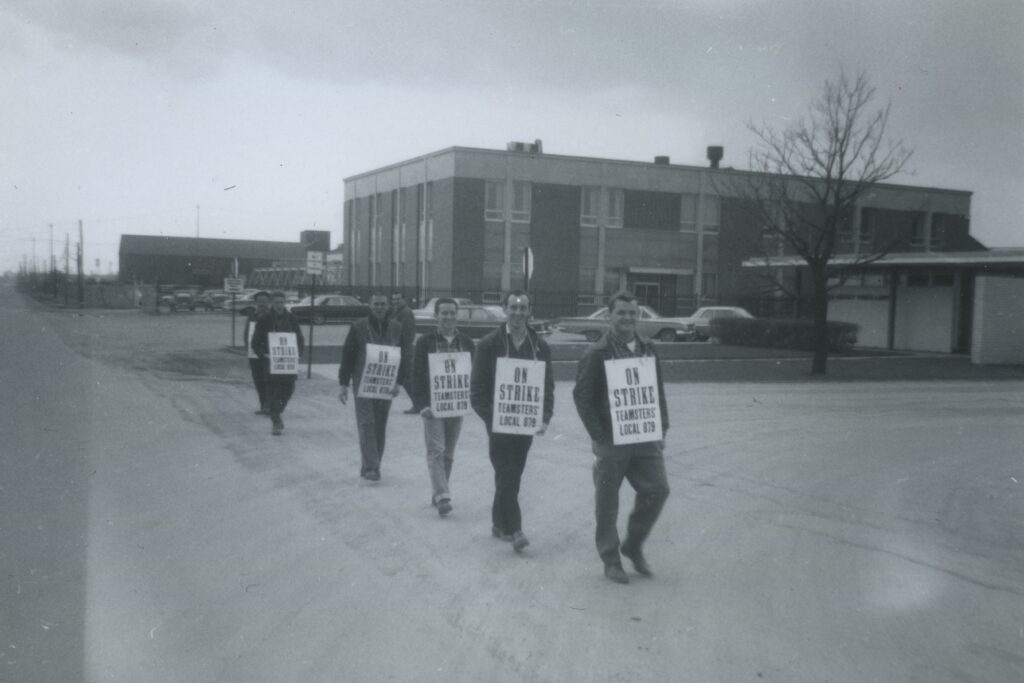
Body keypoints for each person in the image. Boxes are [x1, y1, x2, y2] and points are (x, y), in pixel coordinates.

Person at [572, 291, 670, 584]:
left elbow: (657, 390)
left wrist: (661, 427)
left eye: (632, 313)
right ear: (609, 316)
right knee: (607, 503)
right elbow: (582, 397)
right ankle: (611, 559)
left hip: (644, 436)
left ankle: (633, 545)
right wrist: (599, 435)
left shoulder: (647, 348)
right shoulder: (597, 353)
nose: (627, 318)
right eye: (621, 313)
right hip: (612, 440)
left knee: (658, 490)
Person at [470, 290, 554, 552]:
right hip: (498, 424)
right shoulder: (488, 344)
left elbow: (547, 387)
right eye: (513, 307)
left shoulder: (539, 346)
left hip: (526, 423)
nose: (518, 313)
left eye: (523, 308)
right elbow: (477, 391)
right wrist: (492, 418)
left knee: (511, 474)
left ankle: (498, 522)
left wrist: (545, 417)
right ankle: (515, 528)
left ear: (530, 311)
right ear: (504, 309)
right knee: (507, 472)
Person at [410, 298, 475, 517]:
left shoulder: (466, 342)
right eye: (444, 313)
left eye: (452, 313)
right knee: (436, 450)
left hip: (456, 404)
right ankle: (443, 495)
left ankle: (438, 491)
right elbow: (416, 375)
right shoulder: (425, 342)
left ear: (457, 316)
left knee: (448, 452)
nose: (448, 317)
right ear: (436, 316)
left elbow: (473, 375)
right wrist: (421, 405)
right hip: (433, 405)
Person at [339, 292, 405, 481]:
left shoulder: (396, 328)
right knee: (367, 423)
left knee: (380, 425)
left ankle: (370, 464)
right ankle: (372, 467)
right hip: (363, 383)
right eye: (376, 304)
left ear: (388, 306)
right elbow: (348, 356)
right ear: (369, 305)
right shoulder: (358, 327)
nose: (380, 307)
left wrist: (399, 382)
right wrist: (343, 384)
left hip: (386, 383)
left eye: (383, 304)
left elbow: (403, 355)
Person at [251, 291, 305, 436]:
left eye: (282, 303)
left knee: (288, 390)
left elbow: (300, 339)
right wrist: (264, 355)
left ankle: (277, 412)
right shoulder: (264, 320)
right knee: (274, 392)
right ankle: (276, 421)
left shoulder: (292, 319)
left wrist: (298, 354)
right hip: (271, 363)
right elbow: (255, 342)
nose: (279, 306)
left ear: (284, 303)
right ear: (272, 304)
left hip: (288, 363)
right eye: (276, 303)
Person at [387, 291, 418, 414]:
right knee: (405, 379)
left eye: (398, 299)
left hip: (403, 350)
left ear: (404, 300)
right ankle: (418, 404)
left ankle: (419, 404)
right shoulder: (397, 312)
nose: (395, 301)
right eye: (393, 299)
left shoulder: (406, 313)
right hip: (399, 349)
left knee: (407, 379)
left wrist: (399, 347)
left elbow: (408, 334)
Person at [243, 291, 272, 414]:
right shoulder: (252, 316)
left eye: (264, 301)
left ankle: (269, 406)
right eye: (259, 301)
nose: (262, 304)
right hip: (254, 355)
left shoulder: (273, 316)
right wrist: (248, 347)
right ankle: (263, 405)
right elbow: (247, 334)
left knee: (269, 380)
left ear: (268, 302)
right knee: (258, 380)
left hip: (268, 354)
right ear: (256, 303)